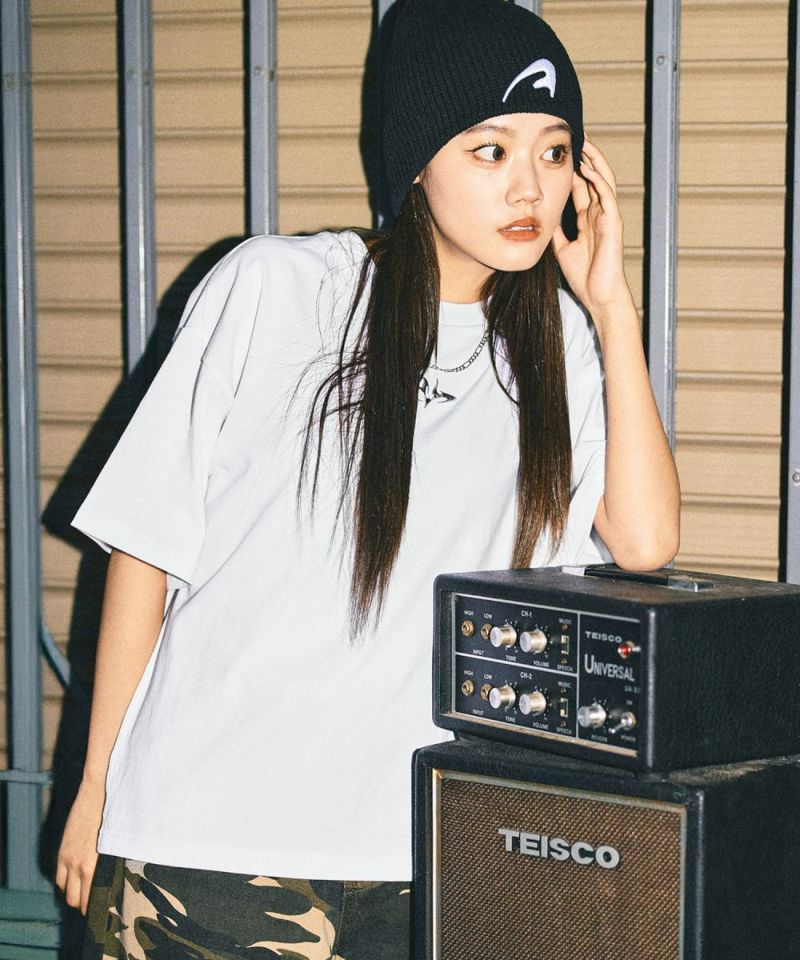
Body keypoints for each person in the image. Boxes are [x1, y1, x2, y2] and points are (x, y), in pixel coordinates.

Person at [55, 0, 680, 957]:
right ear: (417, 160)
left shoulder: (560, 346)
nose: (530, 186)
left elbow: (645, 543)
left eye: (555, 152)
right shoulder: (278, 288)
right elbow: (147, 547)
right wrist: (96, 784)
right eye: (490, 150)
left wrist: (611, 306)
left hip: (429, 856)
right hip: (212, 846)